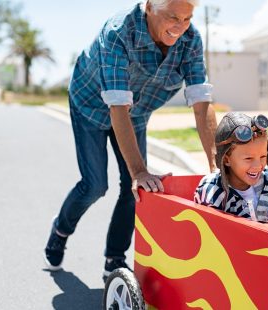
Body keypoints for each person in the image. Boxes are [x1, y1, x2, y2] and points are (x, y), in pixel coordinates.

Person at [44, 0, 217, 280]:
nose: (180, 26)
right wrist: (138, 170)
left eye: (187, 18)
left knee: (134, 190)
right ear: (150, 6)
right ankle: (60, 230)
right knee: (95, 185)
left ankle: (115, 258)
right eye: (173, 16)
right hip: (90, 105)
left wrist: (217, 167)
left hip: (134, 113)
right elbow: (117, 106)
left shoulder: (191, 39)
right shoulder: (118, 32)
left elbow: (201, 102)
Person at [194, 112, 268, 222]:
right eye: (248, 159)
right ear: (226, 159)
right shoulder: (213, 189)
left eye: (263, 156)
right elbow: (210, 229)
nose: (258, 166)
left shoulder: (267, 180)